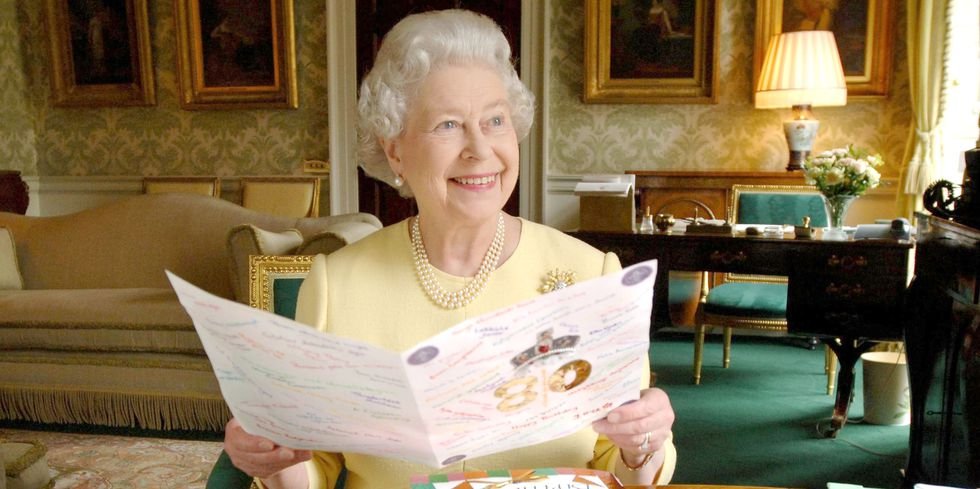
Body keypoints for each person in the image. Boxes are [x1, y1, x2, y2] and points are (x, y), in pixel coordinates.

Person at [222, 9, 677, 489]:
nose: (479, 149)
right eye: (448, 125)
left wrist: (642, 440)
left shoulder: (593, 274)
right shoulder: (337, 285)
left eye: (495, 120)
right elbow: (314, 467)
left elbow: (622, 467)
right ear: (394, 149)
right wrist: (272, 457)